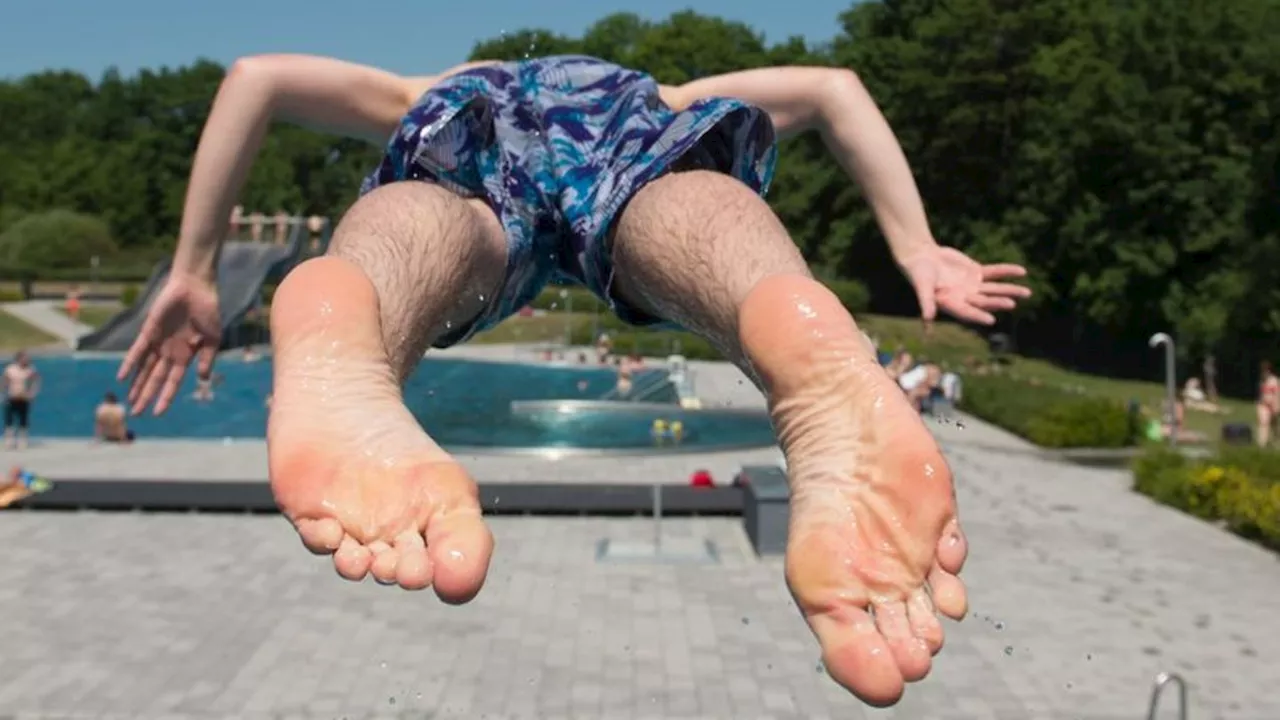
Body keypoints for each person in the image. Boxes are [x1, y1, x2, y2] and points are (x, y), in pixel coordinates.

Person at [117, 54, 1031, 707]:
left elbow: (254, 78)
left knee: (431, 219)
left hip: (471, 146)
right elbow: (836, 89)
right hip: (627, 142)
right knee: (680, 205)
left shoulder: (428, 87)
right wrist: (917, 247)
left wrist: (194, 270)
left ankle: (356, 318)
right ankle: (788, 321)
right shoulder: (668, 93)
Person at [3, 350, 40, 449]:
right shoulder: (10, 369)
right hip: (11, 396)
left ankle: (22, 441)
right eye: (25, 358)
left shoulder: (30, 369)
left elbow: (36, 380)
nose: (27, 360)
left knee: (23, 419)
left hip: (24, 397)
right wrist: (2, 393)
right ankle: (9, 441)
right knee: (9, 419)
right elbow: (4, 382)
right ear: (19, 359)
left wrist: (33, 393)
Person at [1257, 361, 1279, 446]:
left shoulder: (1274, 380)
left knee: (1274, 424)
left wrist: (1276, 406)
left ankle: (1276, 437)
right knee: (1263, 423)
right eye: (1263, 371)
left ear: (1269, 371)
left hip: (1273, 405)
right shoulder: (1261, 380)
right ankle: (1262, 443)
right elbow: (1261, 394)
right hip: (1263, 405)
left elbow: (1277, 394)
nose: (1264, 372)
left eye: (1266, 370)